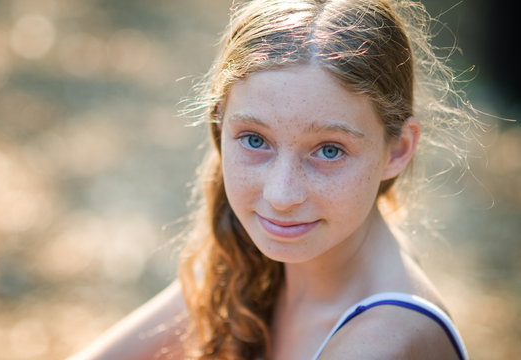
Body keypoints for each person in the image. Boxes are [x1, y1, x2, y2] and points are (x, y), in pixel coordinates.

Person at [70, 0, 477, 359]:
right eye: (255, 140)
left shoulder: (384, 342)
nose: (281, 195)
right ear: (219, 125)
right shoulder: (247, 262)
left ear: (398, 149)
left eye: (330, 150)